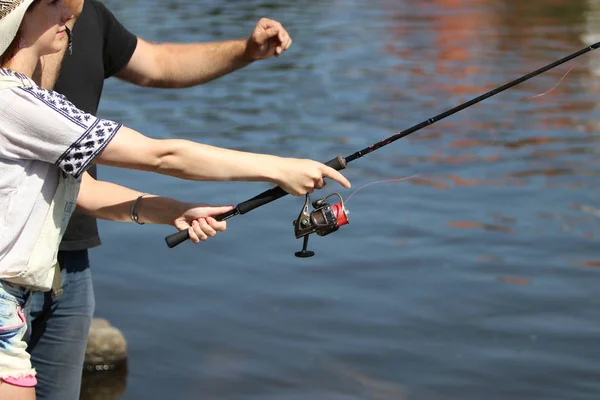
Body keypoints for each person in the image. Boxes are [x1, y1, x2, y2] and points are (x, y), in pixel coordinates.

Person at [0, 1, 351, 399]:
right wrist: (278, 168)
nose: (67, 15)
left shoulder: (34, 98)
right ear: (19, 21)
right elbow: (162, 155)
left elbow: (83, 189)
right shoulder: (17, 103)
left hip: (23, 293)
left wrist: (174, 211)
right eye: (52, 5)